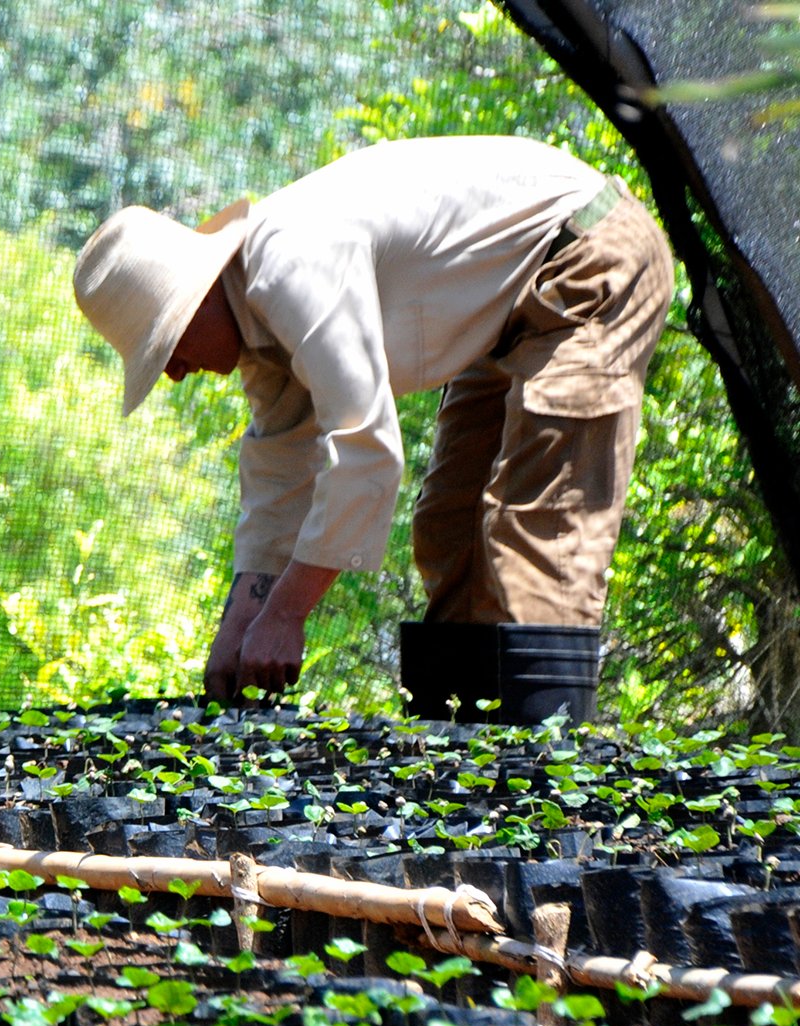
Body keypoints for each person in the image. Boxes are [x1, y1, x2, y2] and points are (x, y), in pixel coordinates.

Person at [72, 135, 673, 722]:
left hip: (586, 258)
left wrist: (286, 614)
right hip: (507, 309)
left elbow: (367, 452)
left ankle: (545, 790)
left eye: (165, 348)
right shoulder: (260, 334)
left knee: (535, 527)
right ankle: (467, 770)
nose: (174, 373)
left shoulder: (290, 267)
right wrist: (244, 616)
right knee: (447, 528)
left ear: (197, 300)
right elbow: (279, 473)